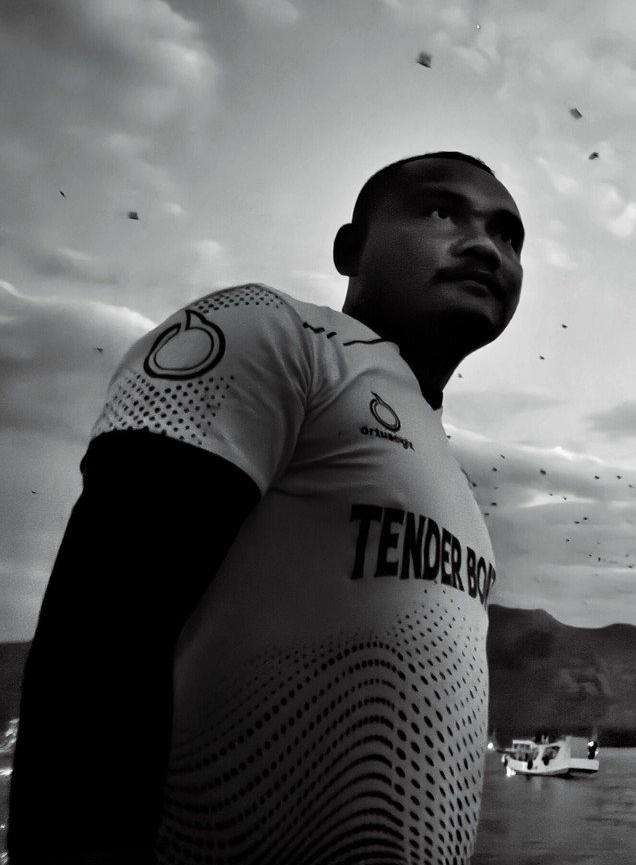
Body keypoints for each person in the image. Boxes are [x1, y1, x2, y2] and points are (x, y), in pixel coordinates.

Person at [8, 152, 524, 865]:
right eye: (441, 213)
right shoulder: (271, 334)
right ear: (350, 249)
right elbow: (101, 634)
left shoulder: (449, 480)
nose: (483, 245)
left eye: (508, 235)